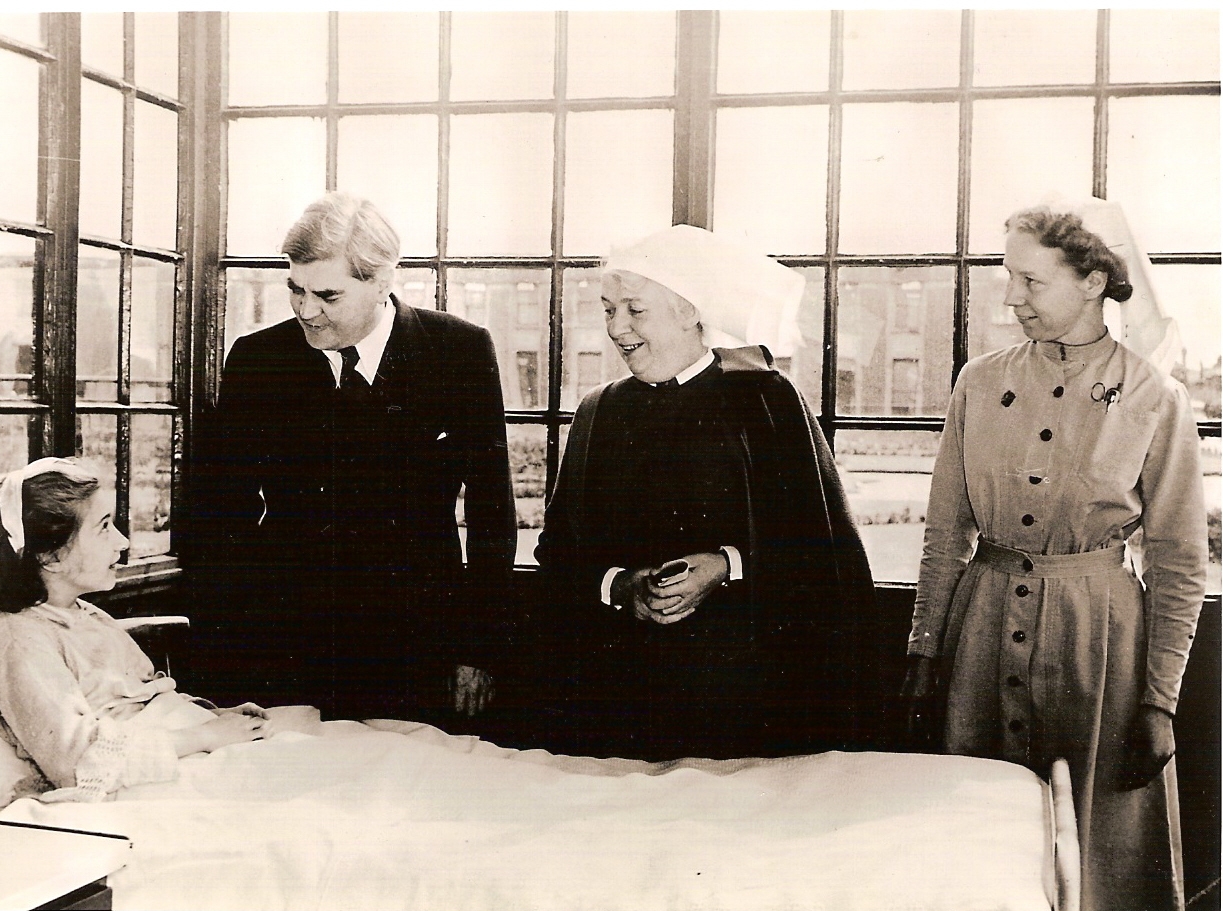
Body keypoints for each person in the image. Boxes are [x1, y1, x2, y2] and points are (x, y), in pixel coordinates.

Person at [903, 199, 1207, 911]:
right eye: (1008, 277)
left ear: (1093, 279)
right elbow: (945, 531)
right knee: (972, 850)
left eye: (1030, 281)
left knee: (1096, 859)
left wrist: (1159, 700)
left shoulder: (1153, 398)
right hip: (977, 644)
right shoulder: (977, 382)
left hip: (1097, 649)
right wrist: (923, 651)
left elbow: (1179, 559)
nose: (1011, 297)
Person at [533, 225, 877, 761]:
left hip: (744, 700)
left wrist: (727, 565)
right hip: (620, 705)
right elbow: (557, 552)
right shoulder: (597, 412)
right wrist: (622, 586)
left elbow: (826, 553)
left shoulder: (765, 399)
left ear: (691, 312)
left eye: (634, 310)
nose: (616, 329)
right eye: (607, 310)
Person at [187, 192, 516, 724]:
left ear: (383, 282)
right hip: (285, 643)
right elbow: (222, 516)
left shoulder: (459, 351)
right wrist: (227, 649)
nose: (305, 310)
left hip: (416, 643)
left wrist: (479, 650)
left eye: (328, 296)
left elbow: (491, 515)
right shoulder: (257, 360)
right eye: (295, 288)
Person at [0, 459, 273, 803]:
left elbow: (136, 699)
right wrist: (206, 735)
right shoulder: (16, 639)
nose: (121, 542)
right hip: (136, 790)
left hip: (185, 754)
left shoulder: (82, 613)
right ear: (49, 556)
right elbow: (78, 764)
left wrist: (215, 717)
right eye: (104, 527)